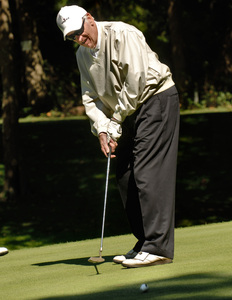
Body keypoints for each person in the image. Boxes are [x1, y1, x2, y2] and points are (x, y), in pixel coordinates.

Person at [56, 5, 180, 268]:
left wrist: (114, 122)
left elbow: (135, 82)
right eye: (71, 36)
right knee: (124, 175)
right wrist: (102, 128)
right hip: (123, 115)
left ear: (89, 18)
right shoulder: (82, 55)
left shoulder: (122, 33)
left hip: (155, 99)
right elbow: (90, 97)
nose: (79, 38)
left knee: (148, 172)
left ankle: (158, 247)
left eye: (79, 30)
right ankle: (144, 243)